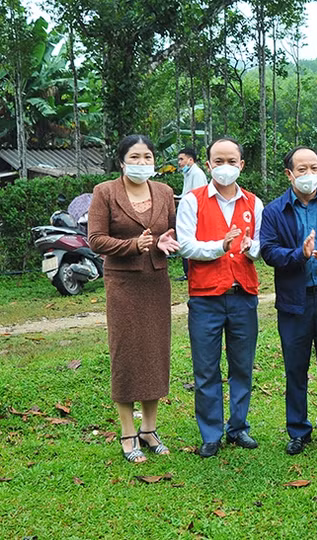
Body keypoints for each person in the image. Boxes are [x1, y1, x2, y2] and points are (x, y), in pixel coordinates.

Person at [88, 134, 180, 463]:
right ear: (122, 160)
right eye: (135, 157)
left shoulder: (165, 192)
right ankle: (128, 433)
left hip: (156, 281)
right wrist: (132, 246)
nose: (142, 163)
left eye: (148, 157)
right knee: (126, 355)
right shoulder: (105, 192)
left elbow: (170, 232)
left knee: (155, 354)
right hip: (123, 284)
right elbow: (95, 238)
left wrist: (167, 241)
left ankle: (150, 430)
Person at [260, 146, 317, 455]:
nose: (308, 174)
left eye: (314, 167)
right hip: (294, 303)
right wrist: (299, 254)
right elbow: (269, 252)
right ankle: (298, 429)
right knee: (295, 369)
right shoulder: (275, 211)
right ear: (289, 174)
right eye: (302, 169)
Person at [176, 137, 263, 458]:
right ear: (208, 164)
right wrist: (220, 247)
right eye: (218, 161)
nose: (225, 167)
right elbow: (186, 245)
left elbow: (259, 245)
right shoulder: (192, 200)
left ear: (241, 165)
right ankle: (211, 433)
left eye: (232, 162)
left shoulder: (253, 203)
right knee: (206, 369)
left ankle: (238, 428)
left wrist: (249, 249)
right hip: (206, 298)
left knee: (242, 366)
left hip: (243, 296)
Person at [176, 147, 208, 281]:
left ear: (190, 160)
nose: (179, 162)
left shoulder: (197, 174)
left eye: (181, 159)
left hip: (196, 215)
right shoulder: (188, 174)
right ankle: (187, 272)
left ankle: (191, 272)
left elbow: (199, 197)